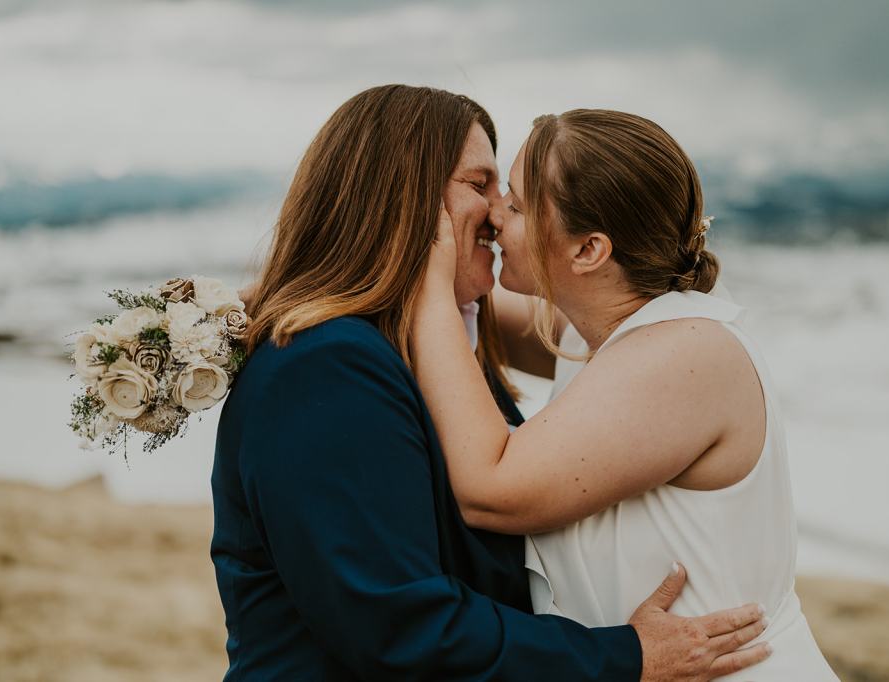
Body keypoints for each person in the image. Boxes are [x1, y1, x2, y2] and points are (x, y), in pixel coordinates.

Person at [212, 86, 770, 680]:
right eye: (481, 185)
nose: (499, 211)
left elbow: (592, 313)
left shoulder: (438, 338)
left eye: (511, 195)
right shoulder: (324, 366)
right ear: (407, 202)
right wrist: (625, 657)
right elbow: (399, 626)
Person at [411, 109, 837, 679]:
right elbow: (474, 315)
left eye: (515, 206)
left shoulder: (686, 354)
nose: (493, 216)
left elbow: (490, 489)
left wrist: (432, 281)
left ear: (588, 251)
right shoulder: (607, 332)